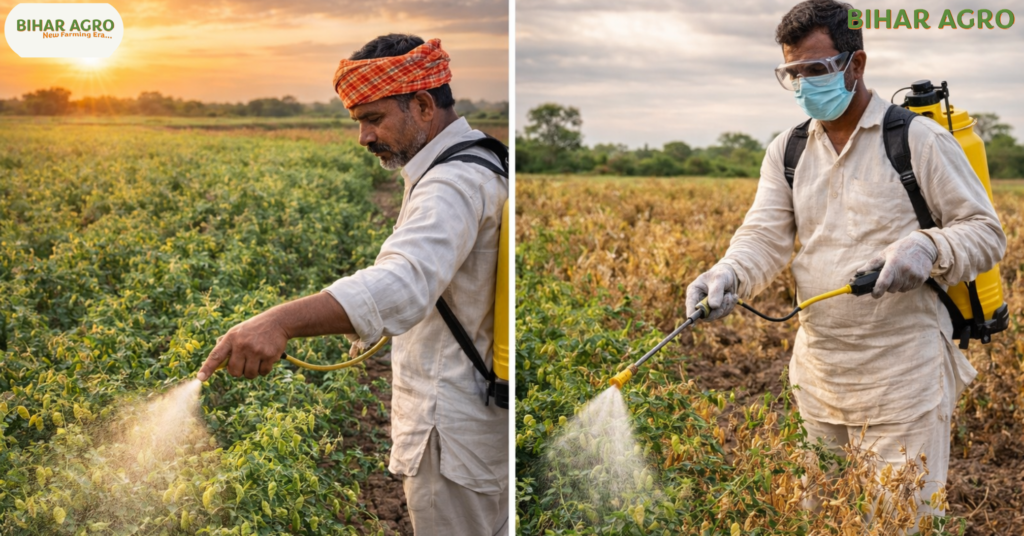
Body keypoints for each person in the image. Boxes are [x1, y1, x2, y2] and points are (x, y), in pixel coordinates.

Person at [684, 0, 1005, 526]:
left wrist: (928, 249)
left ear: (856, 65)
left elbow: (986, 234)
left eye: (817, 69)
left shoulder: (918, 140)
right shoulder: (787, 150)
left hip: (904, 380)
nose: (805, 84)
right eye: (793, 73)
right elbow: (764, 236)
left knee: (899, 520)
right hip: (819, 378)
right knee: (824, 519)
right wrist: (729, 273)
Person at [197, 34, 509, 536]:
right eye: (358, 121)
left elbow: (402, 284)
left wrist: (278, 321)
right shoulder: (485, 158)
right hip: (480, 422)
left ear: (424, 105)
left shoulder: (451, 185)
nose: (363, 137)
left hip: (450, 431)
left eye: (374, 118)